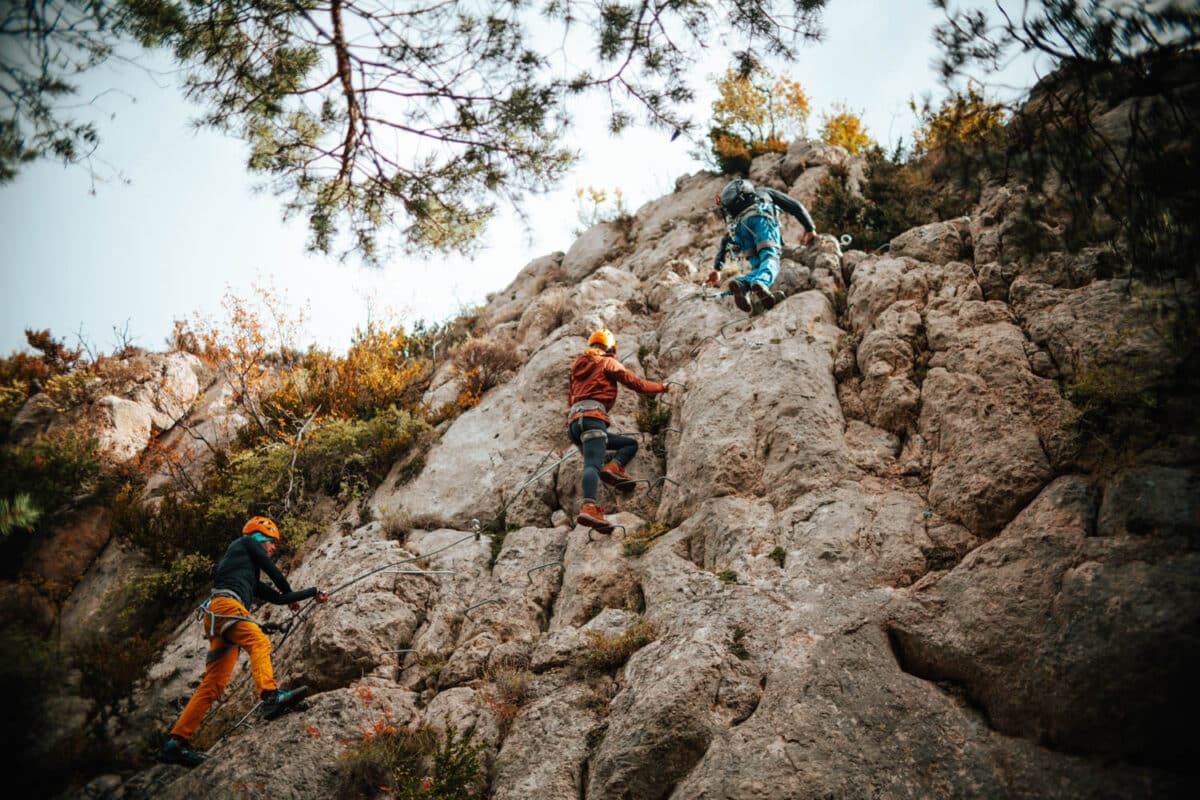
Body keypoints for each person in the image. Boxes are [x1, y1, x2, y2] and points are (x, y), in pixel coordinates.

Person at [157, 516, 328, 768]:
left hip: (220, 618)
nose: (272, 549)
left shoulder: (247, 574)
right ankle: (270, 697)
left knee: (212, 685)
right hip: (226, 608)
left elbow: (279, 598)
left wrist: (311, 592)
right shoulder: (246, 542)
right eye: (272, 543)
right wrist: (291, 594)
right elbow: (275, 574)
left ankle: (176, 743)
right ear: (261, 536)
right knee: (259, 642)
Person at [568, 329, 669, 533]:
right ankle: (589, 506)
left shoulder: (576, 366)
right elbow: (636, 384)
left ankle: (613, 468)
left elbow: (570, 397)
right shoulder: (607, 362)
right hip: (593, 419)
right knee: (592, 465)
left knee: (628, 444)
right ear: (610, 348)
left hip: (574, 424)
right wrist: (662, 387)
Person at [706, 178, 817, 312]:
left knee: (758, 266)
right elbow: (795, 206)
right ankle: (762, 283)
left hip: (740, 230)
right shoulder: (764, 192)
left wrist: (717, 268)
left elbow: (726, 239)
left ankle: (742, 284)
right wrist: (810, 228)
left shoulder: (737, 212)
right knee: (770, 258)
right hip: (760, 221)